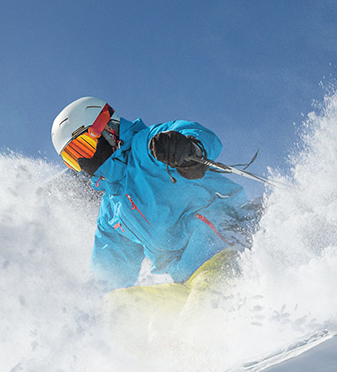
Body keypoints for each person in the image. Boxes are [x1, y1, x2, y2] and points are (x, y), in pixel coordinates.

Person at [50, 96, 252, 290]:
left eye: (82, 148)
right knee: (118, 306)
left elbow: (195, 133)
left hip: (230, 239)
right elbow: (109, 271)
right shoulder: (112, 212)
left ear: (107, 129)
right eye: (72, 158)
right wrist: (98, 306)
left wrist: (187, 147)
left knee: (204, 301)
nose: (83, 163)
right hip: (190, 277)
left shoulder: (147, 147)